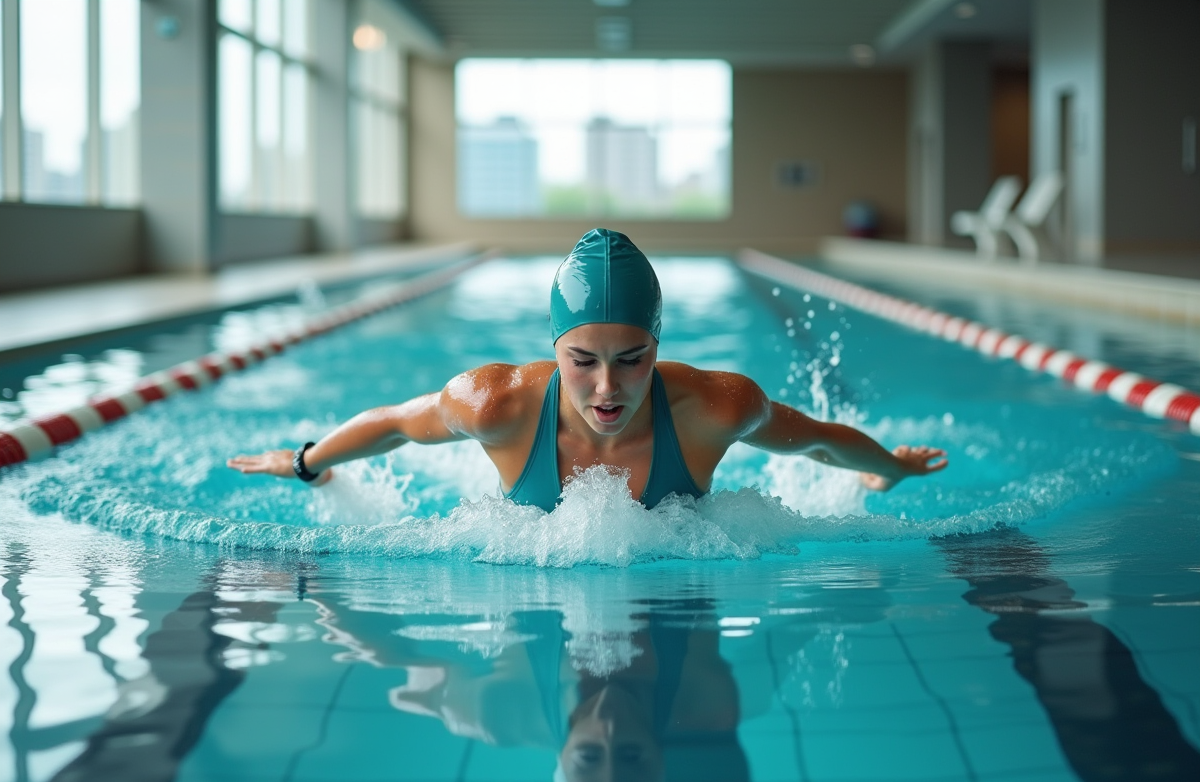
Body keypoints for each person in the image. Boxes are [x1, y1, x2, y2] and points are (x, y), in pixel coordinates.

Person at [228, 228, 947, 508]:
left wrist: (889, 469)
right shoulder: (495, 404)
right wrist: (306, 462)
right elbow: (393, 425)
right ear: (553, 351)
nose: (607, 387)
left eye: (633, 360)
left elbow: (818, 439)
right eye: (582, 361)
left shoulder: (715, 407)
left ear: (658, 347)